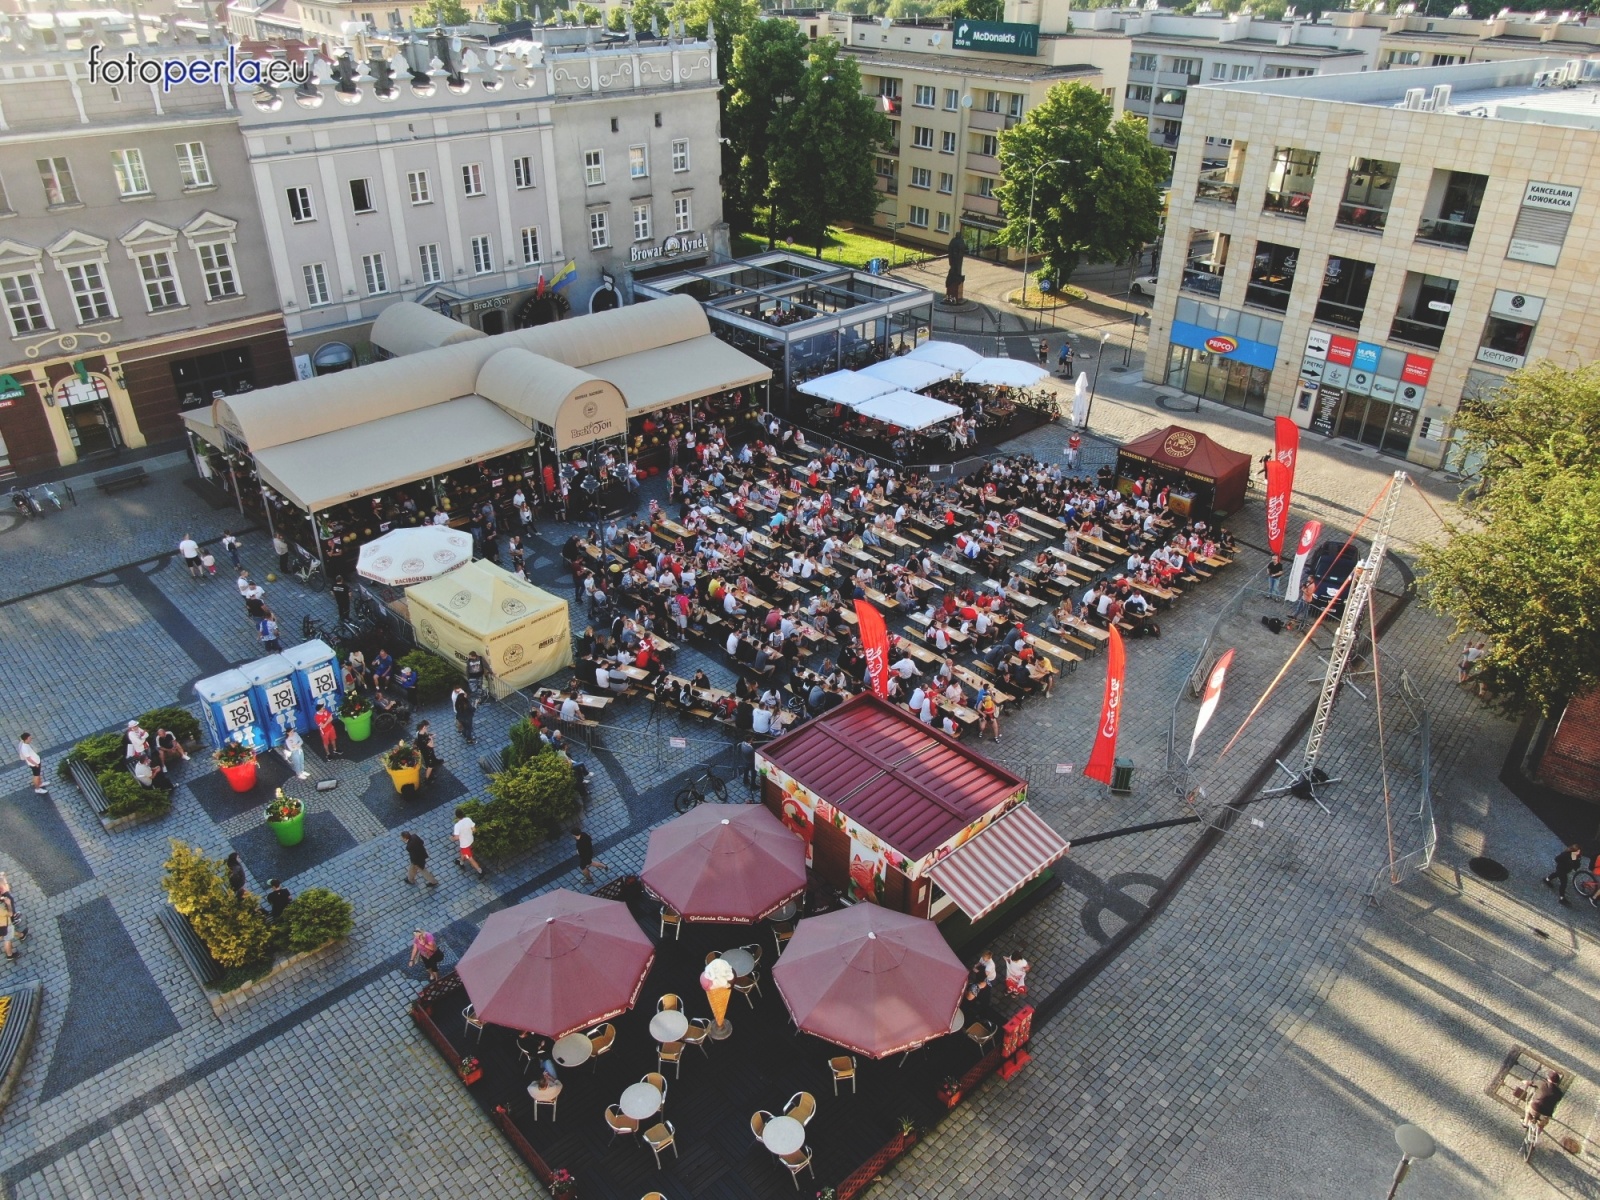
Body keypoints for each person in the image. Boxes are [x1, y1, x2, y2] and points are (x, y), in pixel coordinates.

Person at [1526, 1070, 1565, 1134]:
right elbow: (1558, 1099)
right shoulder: (1559, 1093)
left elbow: (1529, 1083)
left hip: (1535, 1108)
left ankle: (1525, 1123)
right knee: (1542, 1125)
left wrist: (1523, 1081)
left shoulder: (1541, 1083)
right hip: (1546, 1113)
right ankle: (1537, 1132)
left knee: (1528, 1109)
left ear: (1548, 1078)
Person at [453, 807, 484, 875]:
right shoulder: (468, 819)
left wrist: (452, 838)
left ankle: (480, 871)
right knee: (462, 852)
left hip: (465, 845)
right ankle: (461, 862)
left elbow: (456, 838)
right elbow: (474, 830)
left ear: (456, 816)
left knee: (469, 858)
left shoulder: (457, 826)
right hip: (471, 840)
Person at [0, 873, 20, 961]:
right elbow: (10, 913)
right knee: (7, 939)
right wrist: (8, 904)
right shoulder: (1, 910)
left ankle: (21, 935)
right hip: (4, 924)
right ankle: (10, 955)